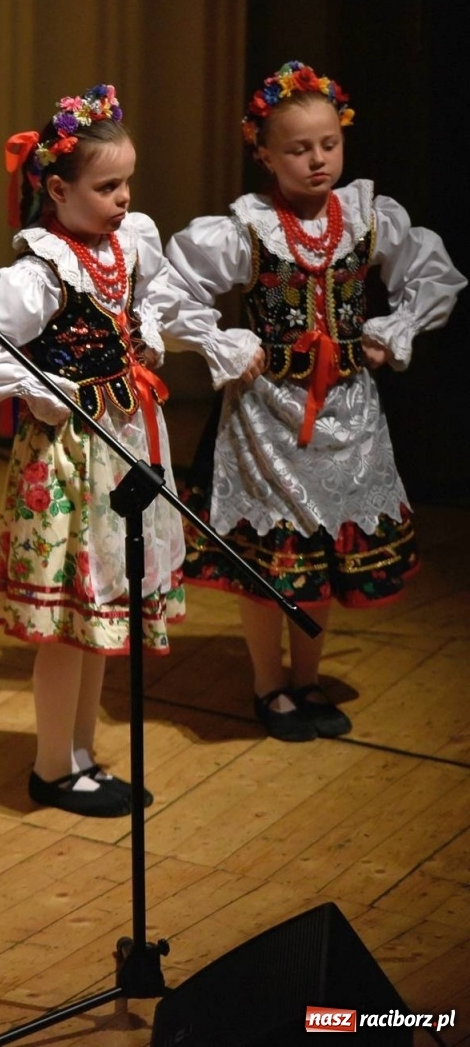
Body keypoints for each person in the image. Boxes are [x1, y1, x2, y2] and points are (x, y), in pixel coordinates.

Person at [165, 62, 464, 741]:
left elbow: (433, 274)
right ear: (265, 153)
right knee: (272, 554)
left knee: (325, 550)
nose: (318, 159)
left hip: (351, 413)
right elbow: (172, 290)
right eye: (299, 149)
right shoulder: (247, 229)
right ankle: (268, 685)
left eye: (328, 144)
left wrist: (397, 329)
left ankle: (306, 676)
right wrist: (225, 345)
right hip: (268, 415)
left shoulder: (366, 217)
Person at [0, 86, 185, 817]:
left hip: (125, 440)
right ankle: (54, 764)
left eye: (126, 183)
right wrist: (41, 384)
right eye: (106, 186)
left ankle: (82, 756)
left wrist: (147, 333)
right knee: (69, 626)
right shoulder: (42, 269)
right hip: (69, 457)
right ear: (56, 188)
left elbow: (160, 296)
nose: (122, 197)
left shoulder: (131, 241)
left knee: (102, 617)